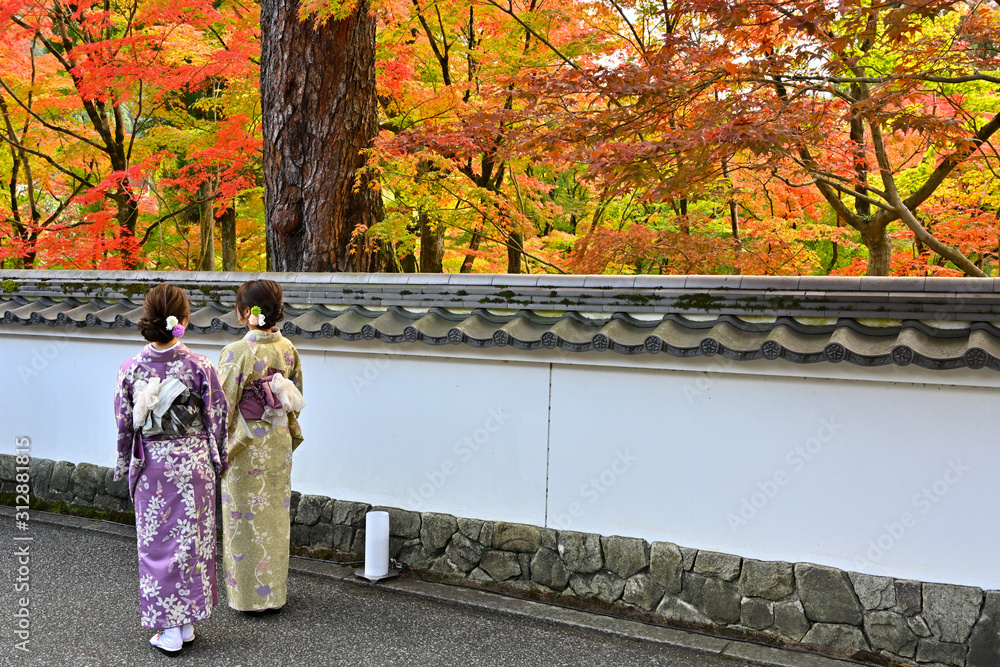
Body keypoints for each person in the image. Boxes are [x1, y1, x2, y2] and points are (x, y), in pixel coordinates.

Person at [113, 283, 229, 654]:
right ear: (184, 318)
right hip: (193, 465)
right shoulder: (201, 366)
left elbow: (124, 423)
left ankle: (170, 629)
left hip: (153, 466)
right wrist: (218, 459)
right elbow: (218, 418)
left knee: (157, 546)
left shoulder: (131, 369)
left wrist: (124, 463)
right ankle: (186, 621)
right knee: (192, 542)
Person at [218, 279, 305, 613]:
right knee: (273, 519)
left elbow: (222, 405)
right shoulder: (288, 349)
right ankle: (274, 596)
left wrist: (216, 447)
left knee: (244, 519)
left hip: (245, 445)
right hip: (278, 441)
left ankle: (247, 599)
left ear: (245, 313)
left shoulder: (237, 352)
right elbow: (294, 401)